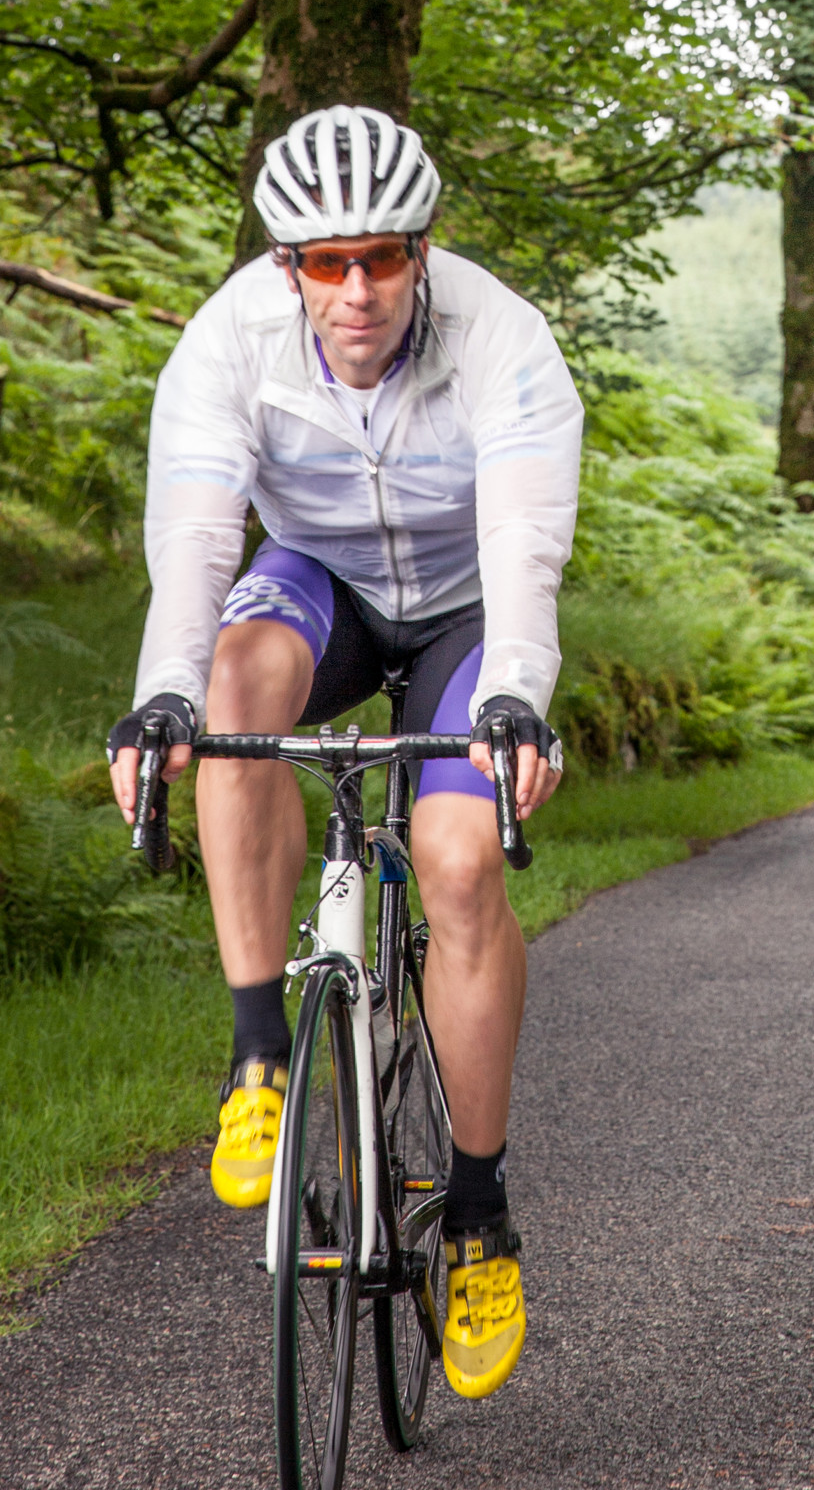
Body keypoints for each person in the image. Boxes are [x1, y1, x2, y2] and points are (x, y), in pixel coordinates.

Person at [107, 105, 581, 1402]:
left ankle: (477, 1213)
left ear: (422, 251)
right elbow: (197, 545)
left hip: (467, 607)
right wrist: (158, 703)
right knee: (230, 688)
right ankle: (262, 1048)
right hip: (319, 582)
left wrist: (517, 702)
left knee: (460, 855)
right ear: (285, 268)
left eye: (382, 257)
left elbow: (528, 552)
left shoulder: (505, 343)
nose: (358, 290)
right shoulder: (228, 347)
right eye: (328, 264)